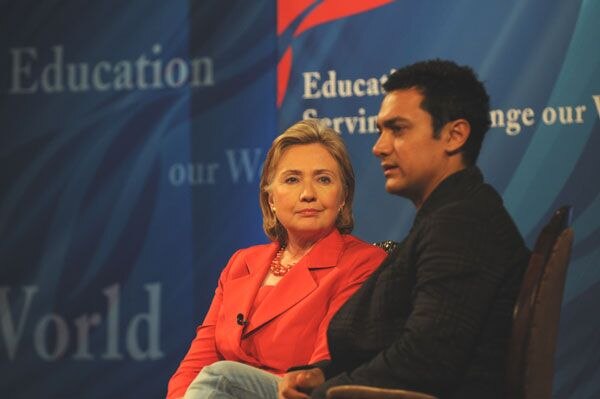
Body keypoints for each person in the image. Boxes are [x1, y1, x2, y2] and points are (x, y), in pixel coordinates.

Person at [182, 59, 530, 399]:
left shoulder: (462, 224)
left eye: (398, 129)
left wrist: (321, 387)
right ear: (269, 197)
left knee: (222, 380)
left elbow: (425, 358)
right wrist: (323, 377)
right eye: (381, 131)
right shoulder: (441, 220)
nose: (379, 147)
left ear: (454, 135)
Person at [166, 119, 387, 398]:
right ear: (271, 198)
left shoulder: (363, 263)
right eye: (292, 179)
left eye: (323, 179)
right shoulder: (241, 263)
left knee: (221, 377)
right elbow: (198, 360)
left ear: (343, 196)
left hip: (294, 394)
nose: (308, 194)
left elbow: (325, 368)